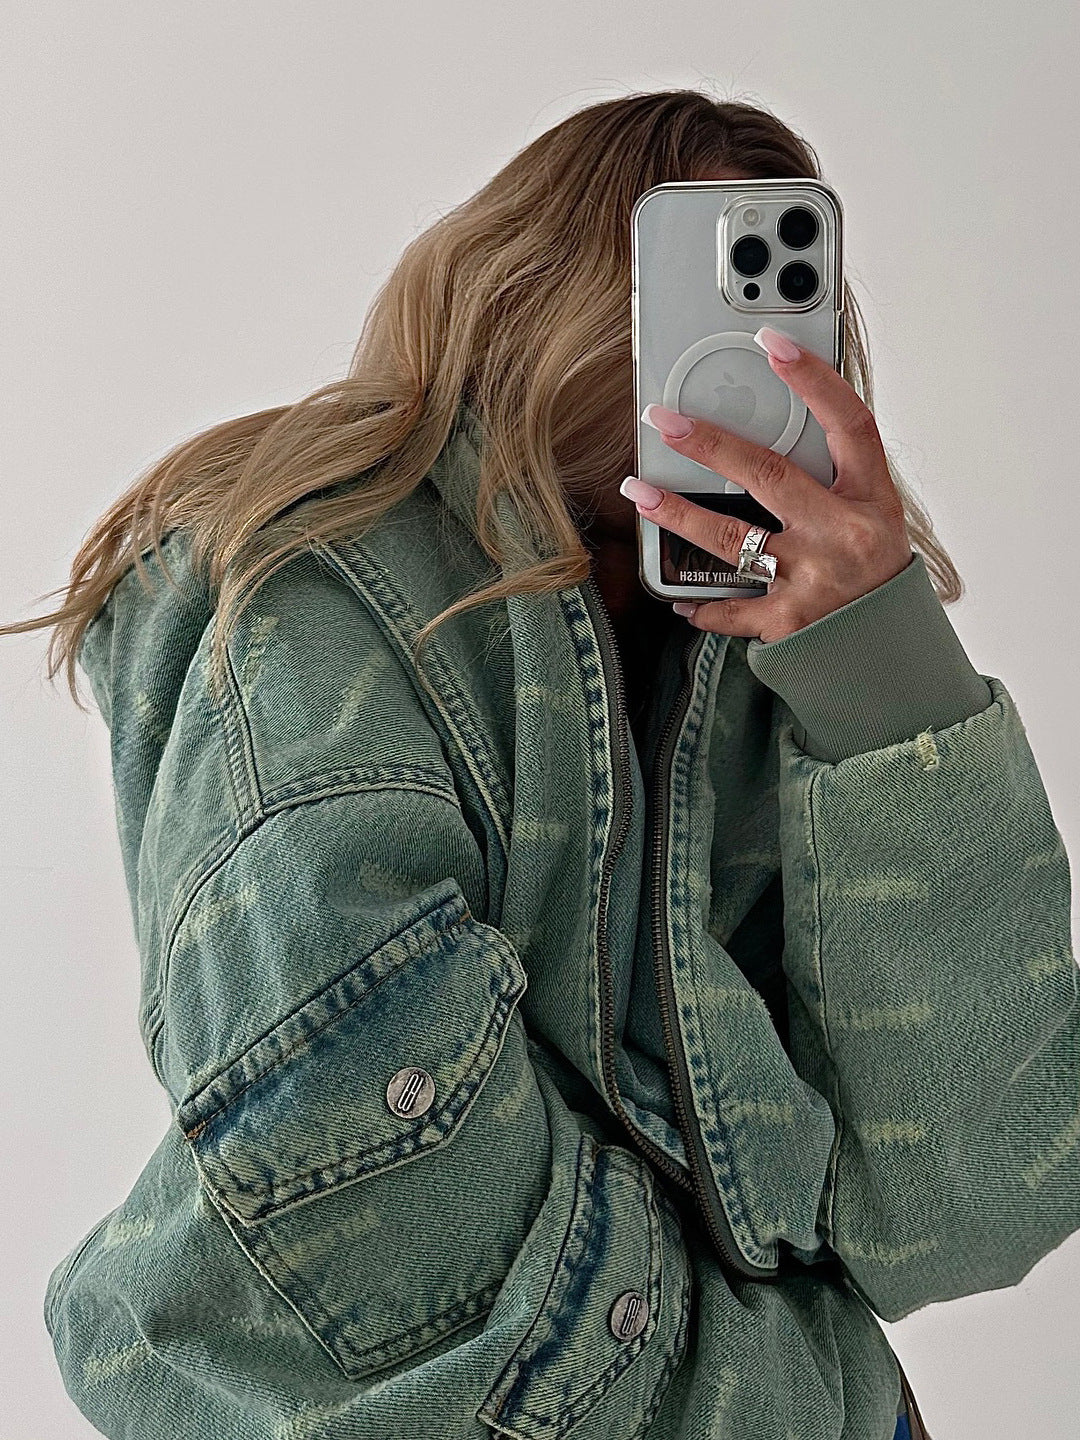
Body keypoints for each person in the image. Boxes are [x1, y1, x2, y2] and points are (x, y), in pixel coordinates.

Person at [10, 89, 1078, 1440]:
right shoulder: (307, 581)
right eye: (684, 281)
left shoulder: (779, 660)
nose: (730, 351)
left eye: (776, 297)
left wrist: (887, 681)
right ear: (530, 281)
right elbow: (364, 1157)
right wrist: (799, 1392)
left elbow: (966, 1206)